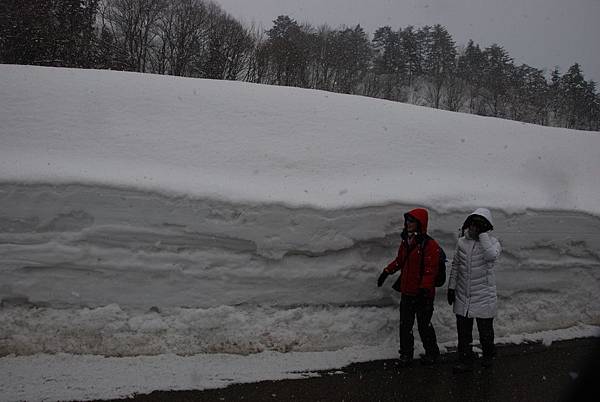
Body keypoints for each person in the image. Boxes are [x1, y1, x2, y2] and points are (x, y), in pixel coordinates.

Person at [377, 208, 441, 366]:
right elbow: (400, 260)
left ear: (420, 224)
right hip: (407, 292)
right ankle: (406, 355)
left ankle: (433, 354)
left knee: (423, 325)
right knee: (405, 325)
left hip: (423, 294)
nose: (408, 224)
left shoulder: (429, 244)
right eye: (407, 221)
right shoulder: (406, 241)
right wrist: (387, 271)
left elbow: (430, 270)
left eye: (412, 221)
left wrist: (425, 289)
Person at [447, 208, 502, 372]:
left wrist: (483, 235)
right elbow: (456, 266)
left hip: (484, 296)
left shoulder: (492, 243)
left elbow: (491, 256)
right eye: (471, 225)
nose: (473, 229)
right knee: (463, 332)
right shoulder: (462, 242)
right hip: (464, 295)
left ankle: (488, 354)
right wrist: (451, 287)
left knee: (485, 332)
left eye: (477, 226)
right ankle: (465, 358)